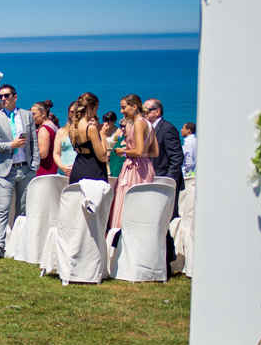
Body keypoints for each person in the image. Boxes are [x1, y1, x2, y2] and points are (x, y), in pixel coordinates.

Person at [0, 84, 39, 259]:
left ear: (15, 97)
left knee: (22, 208)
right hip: (6, 170)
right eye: (1, 96)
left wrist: (35, 164)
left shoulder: (27, 115)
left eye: (6, 95)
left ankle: (19, 242)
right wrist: (10, 145)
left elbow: (33, 141)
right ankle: (0, 245)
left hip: (26, 168)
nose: (3, 99)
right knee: (3, 208)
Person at [145, 98, 185, 272]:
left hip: (163, 182)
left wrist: (168, 181)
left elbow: (177, 157)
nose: (144, 113)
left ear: (157, 112)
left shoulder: (167, 129)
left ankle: (167, 261)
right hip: (152, 181)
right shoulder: (148, 129)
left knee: (163, 222)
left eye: (147, 110)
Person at [110, 94, 159, 230]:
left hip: (134, 168)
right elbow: (154, 152)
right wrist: (140, 153)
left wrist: (124, 152)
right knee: (142, 204)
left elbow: (138, 151)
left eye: (124, 107)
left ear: (134, 107)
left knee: (128, 202)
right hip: (146, 166)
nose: (121, 111)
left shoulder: (138, 123)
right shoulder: (149, 123)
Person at [67, 93, 110, 185]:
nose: (96, 113)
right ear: (89, 108)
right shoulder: (90, 128)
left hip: (78, 168)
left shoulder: (71, 128)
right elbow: (102, 157)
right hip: (93, 171)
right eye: (95, 109)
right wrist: (103, 135)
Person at [31, 100, 60, 176]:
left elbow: (43, 153)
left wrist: (26, 154)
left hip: (43, 168)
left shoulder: (44, 129)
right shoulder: (53, 126)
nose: (32, 117)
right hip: (51, 165)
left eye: (34, 114)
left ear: (43, 114)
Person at [53, 101, 77, 178]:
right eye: (72, 112)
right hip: (63, 172)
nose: (74, 114)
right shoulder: (61, 131)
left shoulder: (87, 131)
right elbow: (56, 153)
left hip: (80, 170)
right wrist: (62, 167)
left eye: (77, 112)